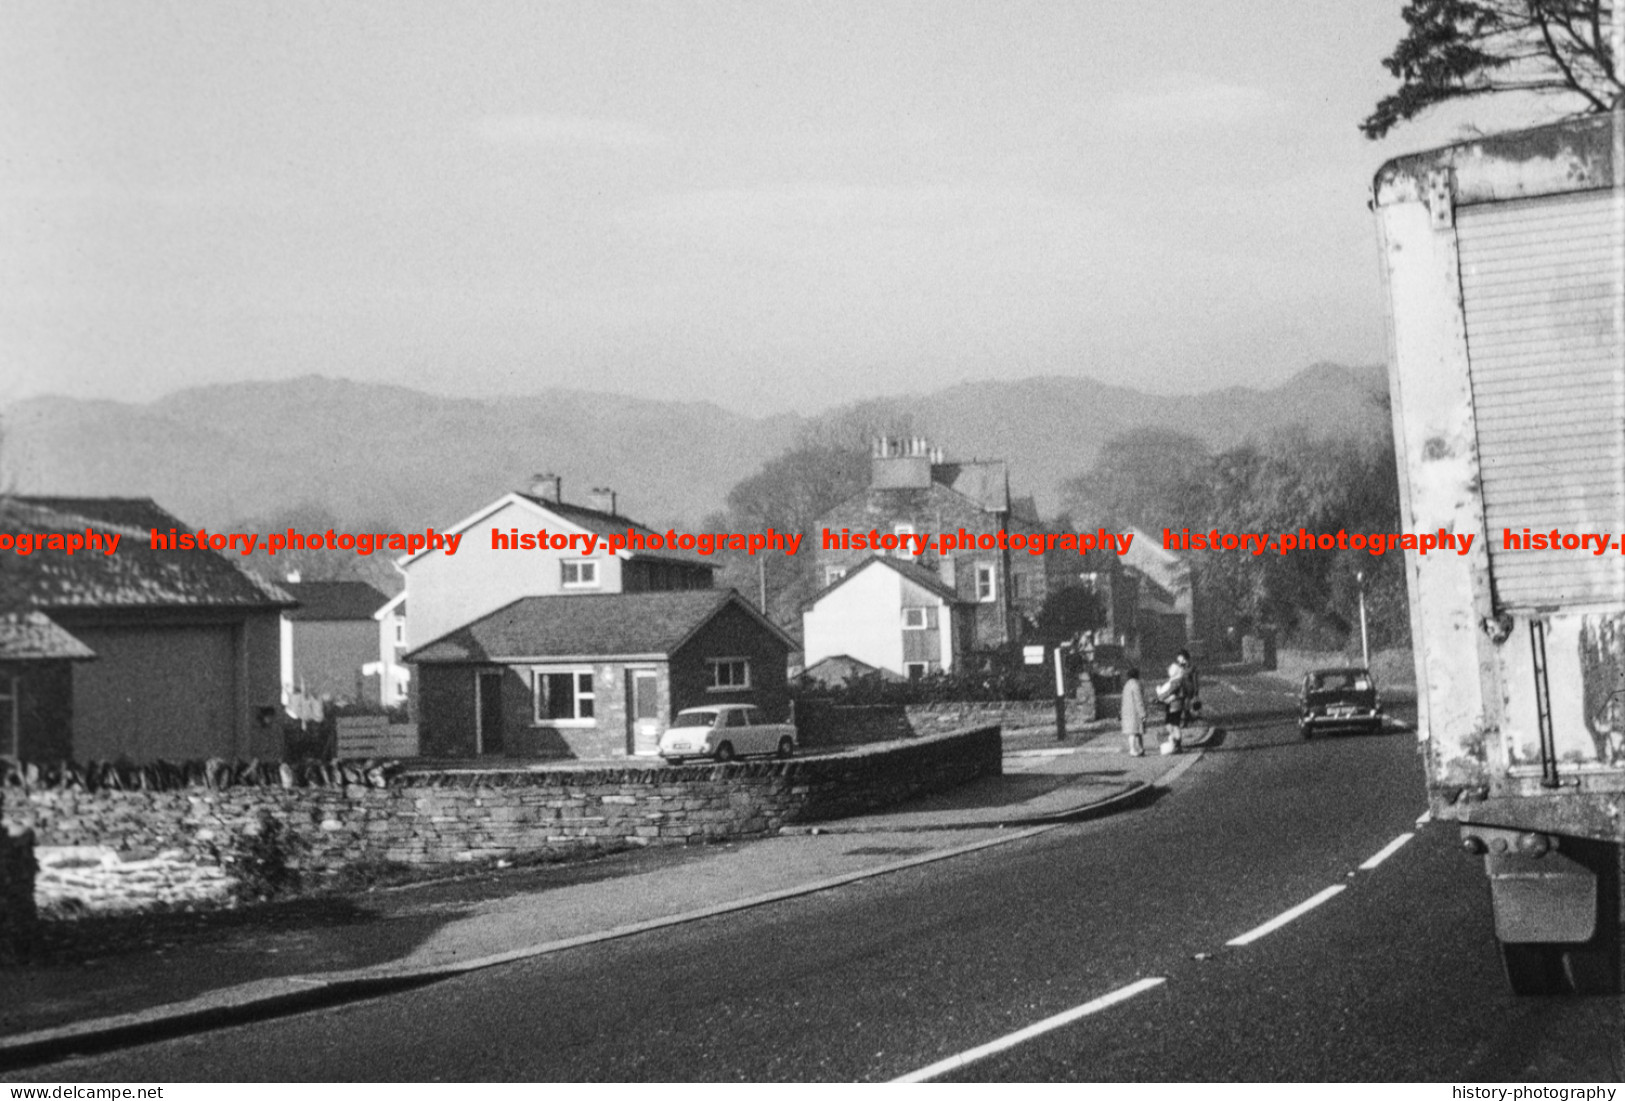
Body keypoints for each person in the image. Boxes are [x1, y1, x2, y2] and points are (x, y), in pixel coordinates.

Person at [1121, 666, 1147, 757]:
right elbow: (1139, 699)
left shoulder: (1127, 685)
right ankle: (1136, 749)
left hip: (1127, 711)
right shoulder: (1136, 684)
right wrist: (1142, 712)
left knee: (1132, 732)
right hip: (1135, 712)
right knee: (1137, 731)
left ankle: (1136, 749)